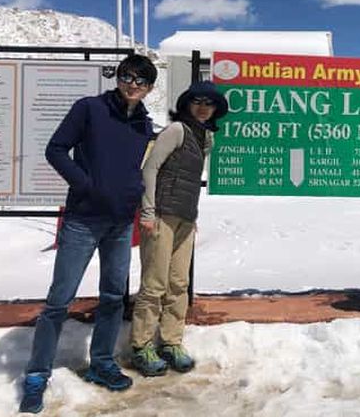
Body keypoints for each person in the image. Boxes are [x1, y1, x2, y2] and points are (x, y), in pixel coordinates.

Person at [19, 54, 157, 413]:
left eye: (141, 81)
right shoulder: (90, 109)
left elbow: (140, 168)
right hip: (83, 220)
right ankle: (37, 374)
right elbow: (55, 149)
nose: (133, 85)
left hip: (120, 223)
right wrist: (84, 184)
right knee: (59, 300)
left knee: (113, 297)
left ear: (149, 89)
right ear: (118, 77)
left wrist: (134, 195)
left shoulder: (143, 124)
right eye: (128, 77)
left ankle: (102, 363)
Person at [129, 81, 228, 376]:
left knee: (179, 283)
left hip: (184, 217)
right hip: (161, 214)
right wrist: (148, 211)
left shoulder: (204, 137)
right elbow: (150, 168)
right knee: (154, 284)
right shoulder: (176, 130)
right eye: (197, 101)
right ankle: (141, 345)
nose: (203, 107)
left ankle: (171, 341)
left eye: (209, 103)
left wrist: (191, 217)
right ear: (187, 104)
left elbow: (188, 180)